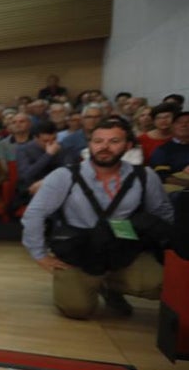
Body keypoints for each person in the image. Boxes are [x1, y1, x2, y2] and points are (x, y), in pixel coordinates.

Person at [21, 119, 174, 319]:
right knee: (76, 310)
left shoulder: (144, 176)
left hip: (124, 247)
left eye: (114, 141)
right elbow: (35, 213)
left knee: (164, 285)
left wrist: (172, 253)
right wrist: (39, 255)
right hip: (80, 250)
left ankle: (111, 287)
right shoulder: (64, 176)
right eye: (98, 141)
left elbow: (163, 213)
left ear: (128, 146)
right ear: (90, 144)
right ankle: (93, 283)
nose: (104, 147)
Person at [15, 120, 66, 200]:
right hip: (32, 189)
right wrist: (48, 155)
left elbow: (68, 170)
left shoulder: (61, 147)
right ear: (36, 138)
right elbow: (26, 175)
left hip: (57, 186)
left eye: (54, 139)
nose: (51, 143)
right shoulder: (23, 149)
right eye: (45, 141)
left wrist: (46, 182)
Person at [150, 110, 189, 188]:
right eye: (179, 122)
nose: (184, 125)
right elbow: (161, 175)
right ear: (172, 126)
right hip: (177, 192)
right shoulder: (163, 150)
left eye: (188, 122)